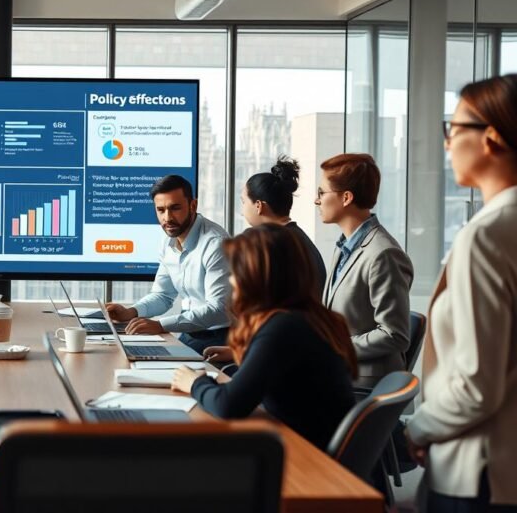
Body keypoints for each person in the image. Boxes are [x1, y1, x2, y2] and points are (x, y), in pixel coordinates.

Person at [405, 74, 517, 512]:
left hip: (479, 469)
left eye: (453, 128)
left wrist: (417, 428)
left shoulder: (487, 235)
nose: (447, 144)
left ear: (490, 137)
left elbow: (476, 384)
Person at [171, 223, 357, 449]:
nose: (231, 280)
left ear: (256, 277)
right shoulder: (312, 317)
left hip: (305, 458)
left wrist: (194, 382)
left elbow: (228, 405)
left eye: (236, 271)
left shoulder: (284, 328)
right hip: (307, 443)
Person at [315, 153, 414, 388]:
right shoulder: (344, 246)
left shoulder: (383, 253)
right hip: (338, 377)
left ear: (346, 197)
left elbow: (395, 335)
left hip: (364, 387)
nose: (316, 201)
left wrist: (336, 347)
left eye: (321, 192)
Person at [105, 174, 231, 355]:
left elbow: (218, 310)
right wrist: (131, 312)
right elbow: (163, 295)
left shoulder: (215, 244)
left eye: (175, 208)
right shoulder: (168, 241)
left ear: (193, 205)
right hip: (191, 334)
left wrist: (160, 325)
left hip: (221, 339)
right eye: (161, 210)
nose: (167, 218)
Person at [242, 155, 326, 297]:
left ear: (258, 206)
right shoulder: (298, 239)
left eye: (244, 202)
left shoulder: (276, 246)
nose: (242, 210)